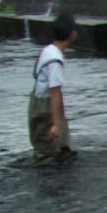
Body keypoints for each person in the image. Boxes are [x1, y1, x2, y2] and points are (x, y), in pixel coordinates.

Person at [28, 12, 78, 166]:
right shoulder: (55, 60)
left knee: (59, 150)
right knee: (45, 155)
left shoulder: (48, 50)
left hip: (38, 102)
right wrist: (56, 124)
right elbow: (54, 93)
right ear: (71, 34)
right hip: (44, 107)